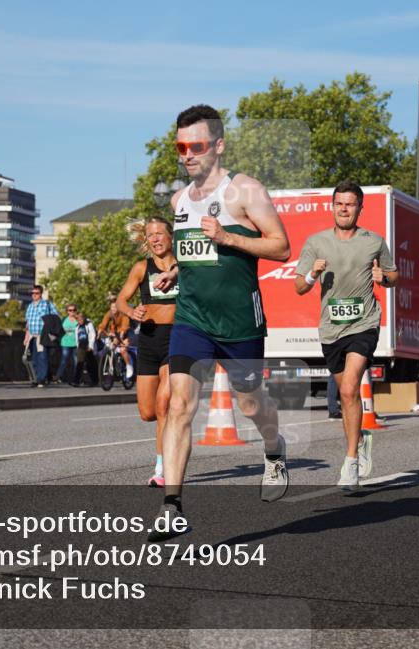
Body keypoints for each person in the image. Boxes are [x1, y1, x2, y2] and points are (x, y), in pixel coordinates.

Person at [147, 104, 291, 541]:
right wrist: (179, 269)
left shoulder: (245, 190)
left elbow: (282, 247)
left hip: (240, 322)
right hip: (192, 319)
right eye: (180, 146)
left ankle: (273, 448)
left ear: (219, 145)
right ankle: (172, 506)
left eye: (197, 145)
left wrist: (228, 236)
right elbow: (196, 253)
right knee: (178, 404)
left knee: (251, 404)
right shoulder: (177, 200)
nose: (187, 154)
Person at [294, 181, 398, 488]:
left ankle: (350, 462)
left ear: (360, 208)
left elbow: (393, 275)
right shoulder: (316, 242)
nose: (344, 208)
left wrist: (385, 278)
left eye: (350, 204)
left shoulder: (374, 241)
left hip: (363, 323)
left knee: (351, 389)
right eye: (339, 203)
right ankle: (360, 438)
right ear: (332, 206)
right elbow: (299, 287)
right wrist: (313, 273)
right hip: (331, 330)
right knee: (345, 393)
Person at [117, 216, 180, 487]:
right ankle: (172, 433)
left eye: (159, 234)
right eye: (150, 235)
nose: (154, 239)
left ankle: (161, 469)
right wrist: (133, 311)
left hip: (177, 338)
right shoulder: (142, 268)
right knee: (148, 412)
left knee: (164, 405)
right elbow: (121, 300)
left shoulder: (185, 266)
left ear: (171, 236)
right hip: (149, 340)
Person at [24, 285, 57, 388]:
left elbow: (56, 317)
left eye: (36, 293)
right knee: (33, 359)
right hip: (32, 336)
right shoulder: (30, 306)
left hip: (43, 335)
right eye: (32, 293)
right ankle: (36, 378)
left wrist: (51, 331)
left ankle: (41, 379)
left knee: (42, 357)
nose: (34, 295)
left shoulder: (47, 304)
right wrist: (26, 337)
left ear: (40, 294)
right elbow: (28, 323)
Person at [98, 302, 133, 379]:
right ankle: (116, 363)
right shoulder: (109, 313)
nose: (113, 309)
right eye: (112, 307)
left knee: (123, 349)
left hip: (127, 331)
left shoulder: (123, 314)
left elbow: (125, 326)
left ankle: (128, 366)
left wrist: (121, 336)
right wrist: (100, 331)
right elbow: (103, 323)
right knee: (112, 347)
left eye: (115, 307)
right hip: (116, 332)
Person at [72, 310, 96, 386]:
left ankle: (94, 381)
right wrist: (77, 346)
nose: (80, 321)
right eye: (78, 319)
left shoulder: (88, 324)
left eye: (81, 319)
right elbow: (76, 337)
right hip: (81, 347)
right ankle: (76, 381)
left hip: (88, 346)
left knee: (91, 364)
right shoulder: (77, 327)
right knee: (80, 363)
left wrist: (91, 346)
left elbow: (92, 334)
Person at [57, 303, 79, 384]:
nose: (72, 312)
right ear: (67, 311)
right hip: (65, 343)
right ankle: (59, 377)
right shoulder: (64, 320)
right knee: (64, 360)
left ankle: (77, 378)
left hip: (76, 344)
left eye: (74, 310)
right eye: (70, 310)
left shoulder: (78, 320)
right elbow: (59, 330)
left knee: (76, 361)